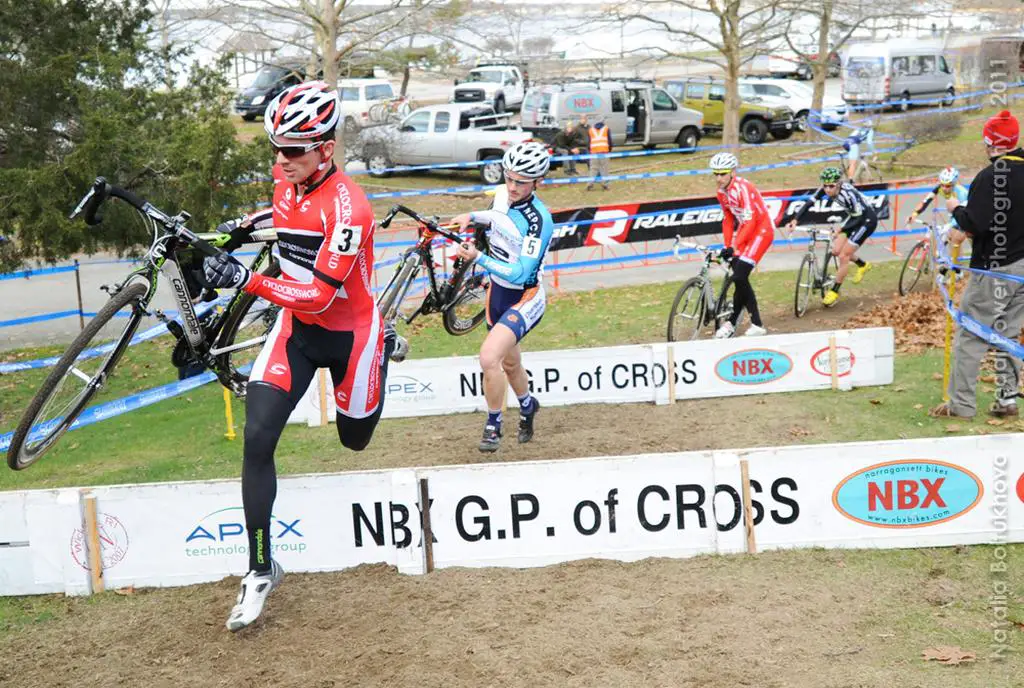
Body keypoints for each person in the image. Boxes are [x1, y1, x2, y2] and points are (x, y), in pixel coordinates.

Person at [200, 81, 400, 631]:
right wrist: (238, 233)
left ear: (326, 150)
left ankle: (386, 349)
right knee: (258, 437)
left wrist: (246, 280)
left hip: (351, 334)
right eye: (275, 148)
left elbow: (319, 293)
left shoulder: (351, 209)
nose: (280, 159)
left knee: (354, 440)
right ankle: (260, 568)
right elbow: (281, 220)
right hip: (296, 330)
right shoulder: (284, 179)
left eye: (293, 150)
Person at [450, 142, 555, 452]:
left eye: (521, 182)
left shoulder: (540, 221)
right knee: (509, 364)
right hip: (497, 293)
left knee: (488, 357)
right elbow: (496, 217)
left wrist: (478, 258)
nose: (512, 187)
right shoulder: (502, 194)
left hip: (526, 295)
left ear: (538, 182)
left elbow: (521, 274)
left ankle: (493, 425)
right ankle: (527, 405)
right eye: (508, 178)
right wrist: (471, 215)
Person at [931, 110, 1024, 419]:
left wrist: (957, 209)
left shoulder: (990, 177)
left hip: (995, 270)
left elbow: (977, 222)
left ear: (990, 143)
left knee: (971, 333)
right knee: (1007, 335)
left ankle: (961, 405)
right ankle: (1007, 400)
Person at [786, 167, 877, 306]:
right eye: (825, 186)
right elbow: (810, 203)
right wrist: (795, 220)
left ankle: (834, 291)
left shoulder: (848, 194)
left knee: (843, 256)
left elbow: (858, 219)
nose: (827, 189)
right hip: (853, 217)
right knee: (835, 251)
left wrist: (839, 229)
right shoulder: (826, 187)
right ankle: (863, 265)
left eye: (831, 186)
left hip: (866, 220)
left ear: (839, 184)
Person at [709, 152, 773, 338]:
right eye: (716, 174)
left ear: (732, 172)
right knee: (739, 277)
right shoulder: (721, 192)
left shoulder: (743, 188)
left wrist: (735, 246)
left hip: (761, 231)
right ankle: (732, 322)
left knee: (739, 275)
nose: (719, 178)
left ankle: (756, 324)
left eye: (723, 174)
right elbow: (728, 220)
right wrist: (727, 245)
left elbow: (750, 221)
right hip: (746, 233)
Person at [906, 166, 969, 244]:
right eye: (942, 185)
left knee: (956, 240)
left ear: (954, 184)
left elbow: (965, 214)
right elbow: (926, 201)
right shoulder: (939, 188)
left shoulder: (961, 192)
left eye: (948, 186)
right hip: (955, 211)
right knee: (947, 238)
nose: (944, 188)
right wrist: (914, 214)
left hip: (968, 215)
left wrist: (951, 224)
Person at [586, 116, 611, 191]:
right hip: (604, 152)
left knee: (593, 169)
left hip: (594, 152)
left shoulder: (590, 130)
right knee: (604, 169)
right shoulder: (606, 129)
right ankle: (605, 185)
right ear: (603, 121)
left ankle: (590, 184)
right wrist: (609, 150)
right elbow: (610, 141)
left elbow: (588, 142)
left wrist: (590, 150)